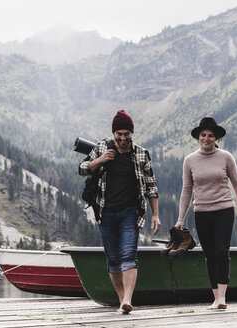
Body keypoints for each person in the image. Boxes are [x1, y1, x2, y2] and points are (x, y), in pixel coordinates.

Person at [78, 110, 160, 314]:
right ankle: (121, 299)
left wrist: (156, 214)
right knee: (113, 258)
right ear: (114, 133)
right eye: (119, 134)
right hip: (105, 212)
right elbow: (81, 168)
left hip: (130, 212)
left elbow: (151, 186)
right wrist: (101, 160)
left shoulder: (141, 154)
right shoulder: (101, 148)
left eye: (126, 134)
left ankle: (127, 300)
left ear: (132, 133)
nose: (123, 139)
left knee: (128, 254)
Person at [174, 117, 237, 310]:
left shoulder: (226, 157)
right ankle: (215, 297)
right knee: (209, 254)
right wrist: (180, 218)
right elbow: (186, 190)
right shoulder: (189, 160)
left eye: (210, 135)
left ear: (216, 138)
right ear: (198, 137)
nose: (206, 138)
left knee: (221, 252)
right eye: (203, 135)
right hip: (201, 212)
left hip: (224, 210)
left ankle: (223, 297)